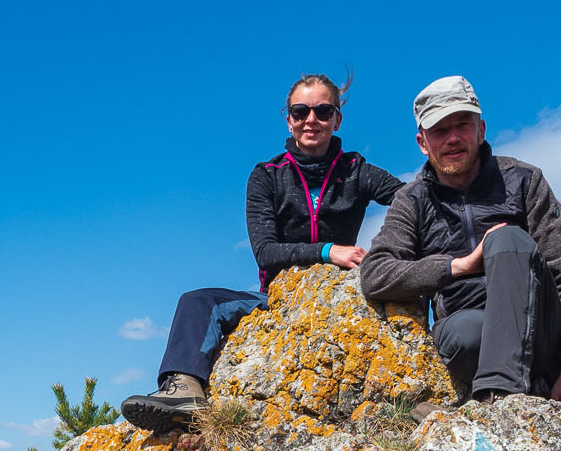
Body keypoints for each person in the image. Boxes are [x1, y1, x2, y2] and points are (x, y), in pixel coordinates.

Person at [121, 74, 404, 432]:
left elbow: (411, 199)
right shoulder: (267, 176)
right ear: (289, 119)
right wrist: (328, 250)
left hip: (338, 292)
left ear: (337, 119)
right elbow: (266, 253)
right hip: (276, 296)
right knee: (197, 300)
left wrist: (388, 247)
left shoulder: (356, 171)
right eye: (300, 111)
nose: (310, 120)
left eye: (322, 110)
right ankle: (184, 390)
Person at [358, 76, 561, 411]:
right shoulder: (412, 199)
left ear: (481, 129)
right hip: (471, 336)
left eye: (462, 125)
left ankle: (499, 397)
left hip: (539, 330)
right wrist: (460, 265)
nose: (453, 138)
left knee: (506, 236)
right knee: (463, 334)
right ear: (422, 142)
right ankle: (514, 389)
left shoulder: (523, 180)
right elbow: (375, 273)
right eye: (440, 130)